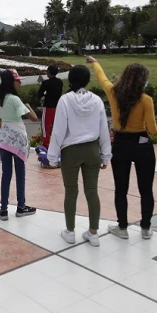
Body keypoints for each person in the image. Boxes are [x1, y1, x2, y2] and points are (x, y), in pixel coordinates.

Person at [87, 56, 157, 240]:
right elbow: (153, 130)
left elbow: (102, 78)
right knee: (146, 189)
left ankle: (123, 227)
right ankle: (146, 228)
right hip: (142, 144)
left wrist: (95, 62)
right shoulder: (146, 100)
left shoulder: (113, 92)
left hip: (120, 144)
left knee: (121, 188)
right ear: (143, 81)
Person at [47, 65, 111, 247]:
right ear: (87, 81)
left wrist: (52, 157)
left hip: (71, 151)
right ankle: (93, 233)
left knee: (71, 191)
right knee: (92, 191)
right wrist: (106, 155)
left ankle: (70, 231)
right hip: (92, 150)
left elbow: (58, 130)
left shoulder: (65, 100)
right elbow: (103, 129)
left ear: (71, 80)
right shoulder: (97, 100)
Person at [0, 69, 39, 221]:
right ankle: (21, 207)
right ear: (11, 82)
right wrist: (28, 106)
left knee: (6, 174)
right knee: (20, 174)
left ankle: (3, 209)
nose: (20, 83)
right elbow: (33, 118)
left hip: (5, 140)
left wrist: (2, 135)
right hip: (18, 140)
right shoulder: (14, 99)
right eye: (18, 80)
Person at [38, 64, 64, 148]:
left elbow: (40, 94)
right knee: (56, 126)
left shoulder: (45, 83)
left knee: (46, 127)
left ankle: (46, 145)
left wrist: (42, 87)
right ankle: (57, 144)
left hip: (48, 107)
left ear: (48, 72)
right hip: (58, 107)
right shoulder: (60, 82)